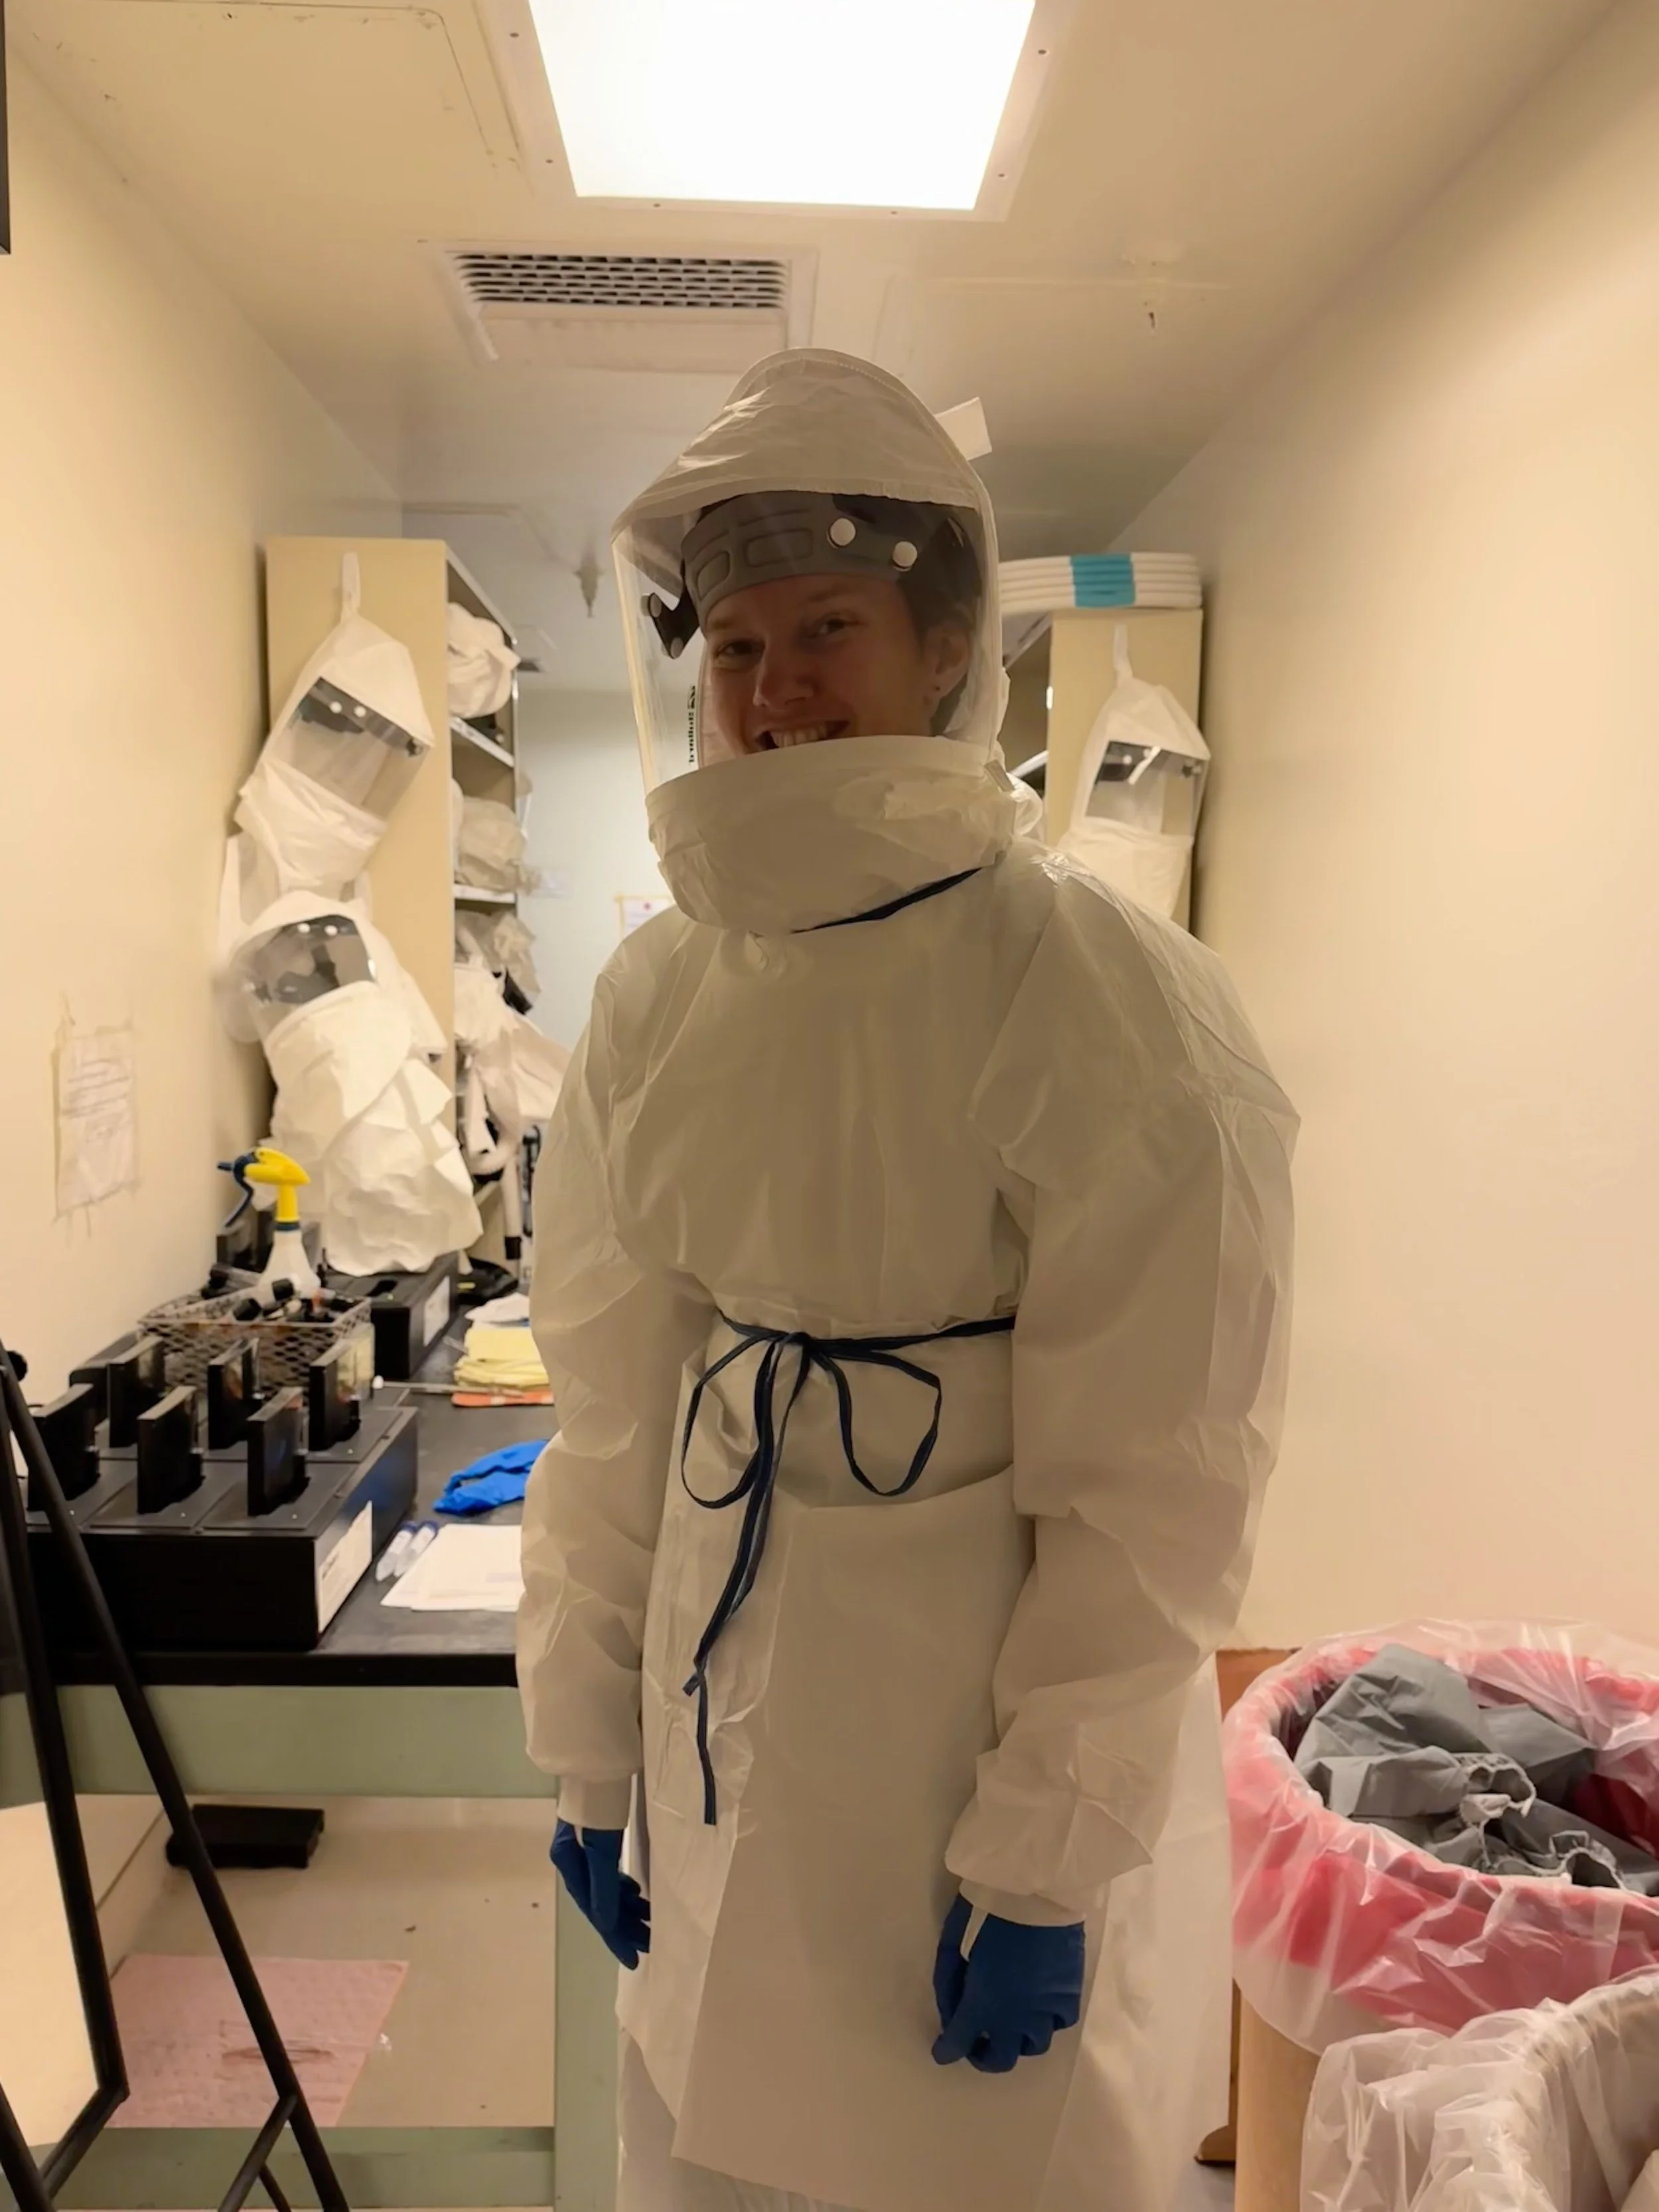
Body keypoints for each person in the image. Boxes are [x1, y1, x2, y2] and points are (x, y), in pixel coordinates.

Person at [518, 350, 1297, 2212]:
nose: (775, 692)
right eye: (731, 645)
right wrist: (587, 1741)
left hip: (967, 1738)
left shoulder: (1109, 996)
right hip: (717, 1703)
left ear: (948, 646)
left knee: (978, 2164)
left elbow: (1155, 1479)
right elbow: (615, 1398)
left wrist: (1043, 1854)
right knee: (712, 2144)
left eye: (829, 627)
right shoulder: (661, 989)